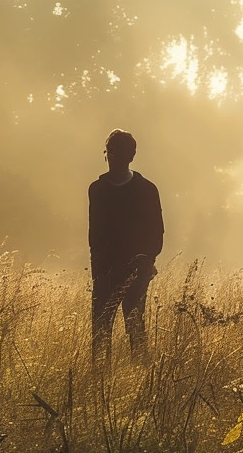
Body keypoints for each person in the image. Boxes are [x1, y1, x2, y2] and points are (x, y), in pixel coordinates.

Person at [89, 129, 164, 365]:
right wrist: (98, 272)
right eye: (112, 153)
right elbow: (95, 234)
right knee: (101, 334)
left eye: (121, 154)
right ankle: (99, 381)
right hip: (106, 272)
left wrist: (146, 262)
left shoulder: (147, 189)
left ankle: (140, 377)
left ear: (131, 156)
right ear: (107, 154)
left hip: (135, 270)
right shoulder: (97, 189)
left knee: (135, 330)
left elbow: (156, 231)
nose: (115, 158)